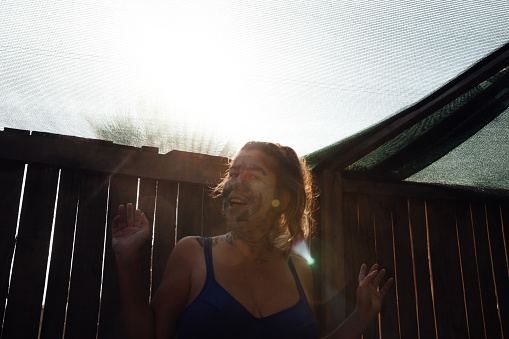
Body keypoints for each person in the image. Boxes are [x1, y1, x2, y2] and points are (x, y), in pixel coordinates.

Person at [112, 141, 393, 339]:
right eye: (233, 173)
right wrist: (127, 259)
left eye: (253, 175)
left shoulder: (300, 269)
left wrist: (362, 315)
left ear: (280, 200)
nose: (235, 182)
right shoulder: (193, 253)